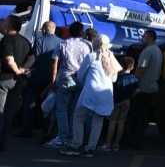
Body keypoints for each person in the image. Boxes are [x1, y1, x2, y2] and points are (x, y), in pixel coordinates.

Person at [61, 34, 120, 157]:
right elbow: (114, 79)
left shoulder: (91, 56)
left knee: (78, 117)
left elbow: (81, 75)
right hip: (106, 94)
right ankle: (90, 148)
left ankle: (76, 145)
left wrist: (85, 83)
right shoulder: (112, 58)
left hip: (90, 92)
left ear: (95, 44)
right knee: (97, 121)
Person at [44, 21, 91, 149]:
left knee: (61, 109)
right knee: (74, 110)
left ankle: (63, 137)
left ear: (70, 31)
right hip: (80, 79)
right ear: (81, 32)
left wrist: (53, 80)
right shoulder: (87, 45)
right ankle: (73, 136)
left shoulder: (63, 43)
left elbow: (55, 62)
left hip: (65, 77)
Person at [16, 21, 60, 138]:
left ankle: (27, 129)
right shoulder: (60, 42)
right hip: (52, 77)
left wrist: (26, 70)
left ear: (44, 29)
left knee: (29, 102)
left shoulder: (40, 40)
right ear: (54, 30)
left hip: (38, 76)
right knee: (47, 104)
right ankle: (44, 130)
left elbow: (35, 58)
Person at [1, 15, 35, 151]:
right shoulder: (25, 41)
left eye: (4, 21)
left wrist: (17, 70)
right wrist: (24, 69)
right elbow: (33, 57)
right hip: (19, 81)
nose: (3, 22)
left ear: (9, 25)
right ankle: (3, 142)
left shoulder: (6, 40)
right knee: (9, 113)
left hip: (5, 79)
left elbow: (9, 59)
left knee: (1, 111)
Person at [124, 29, 162, 149]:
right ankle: (138, 140)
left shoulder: (148, 51)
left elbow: (141, 68)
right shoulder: (158, 51)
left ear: (150, 37)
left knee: (136, 116)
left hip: (143, 88)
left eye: (144, 36)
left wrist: (134, 84)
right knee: (144, 116)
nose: (142, 38)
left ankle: (134, 141)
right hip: (152, 88)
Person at [100, 56, 138, 152]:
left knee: (112, 122)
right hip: (127, 102)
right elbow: (137, 90)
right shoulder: (133, 78)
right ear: (132, 67)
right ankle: (116, 144)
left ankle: (108, 144)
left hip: (116, 101)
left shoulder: (117, 78)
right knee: (121, 122)